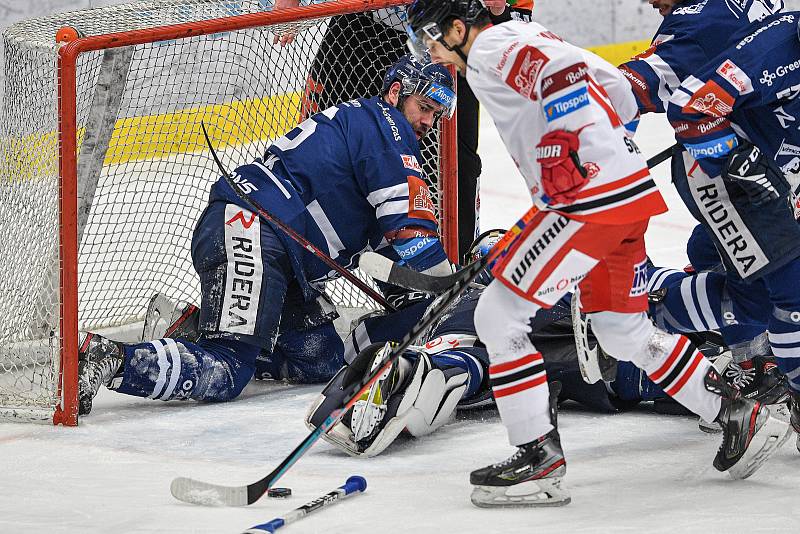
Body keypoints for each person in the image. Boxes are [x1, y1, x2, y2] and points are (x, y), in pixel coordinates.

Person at [404, 0, 792, 508]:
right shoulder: (529, 35)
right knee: (620, 327)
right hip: (625, 192)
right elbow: (608, 83)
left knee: (498, 316)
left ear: (457, 27)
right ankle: (735, 411)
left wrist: (568, 146)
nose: (428, 50)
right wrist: (604, 147)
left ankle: (536, 459)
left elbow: (564, 76)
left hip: (587, 202)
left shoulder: (490, 48)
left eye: (429, 37)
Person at [75, 54, 457, 415]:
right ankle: (112, 358)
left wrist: (419, 290)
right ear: (395, 93)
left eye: (436, 115)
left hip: (279, 253)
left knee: (319, 356)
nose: (427, 121)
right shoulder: (387, 130)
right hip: (251, 227)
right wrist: (453, 291)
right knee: (226, 370)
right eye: (424, 107)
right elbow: (410, 231)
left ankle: (191, 329)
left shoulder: (372, 130)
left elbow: (393, 250)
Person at [306, 231, 747, 458]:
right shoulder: (504, 278)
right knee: (646, 341)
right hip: (595, 332)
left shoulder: (463, 298)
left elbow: (356, 338)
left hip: (551, 342)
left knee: (463, 358)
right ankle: (736, 373)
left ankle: (416, 374)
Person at [618, 0, 786, 380]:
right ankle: (749, 363)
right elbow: (627, 89)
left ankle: (665, 303)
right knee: (757, 285)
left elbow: (622, 92)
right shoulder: (705, 19)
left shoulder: (702, 20)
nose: (649, 2)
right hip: (724, 170)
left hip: (762, 164)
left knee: (726, 258)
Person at [664, 10, 800, 450]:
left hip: (775, 180)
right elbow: (688, 108)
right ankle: (627, 310)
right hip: (724, 177)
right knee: (791, 293)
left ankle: (636, 303)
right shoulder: (772, 49)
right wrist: (734, 156)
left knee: (756, 298)